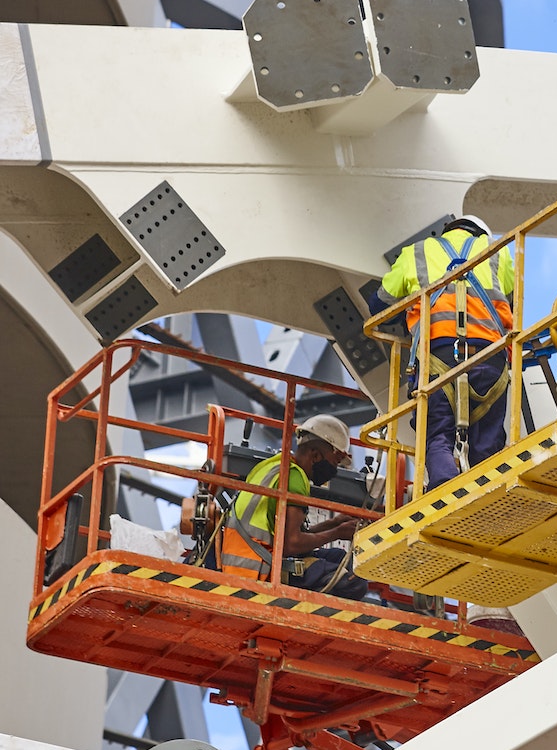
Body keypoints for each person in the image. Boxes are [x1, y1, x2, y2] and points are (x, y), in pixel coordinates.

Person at [379, 215, 516, 487]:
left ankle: (444, 487)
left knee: (438, 434)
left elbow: (379, 304)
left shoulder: (416, 252)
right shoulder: (498, 251)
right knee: (487, 440)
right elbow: (510, 299)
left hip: (437, 356)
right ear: (480, 235)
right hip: (490, 356)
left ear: (447, 231)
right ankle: (485, 492)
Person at [218, 414, 371, 600]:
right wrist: (336, 533)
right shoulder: (294, 477)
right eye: (334, 463)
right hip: (258, 570)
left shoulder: (274, 466)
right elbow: (292, 544)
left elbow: (287, 535)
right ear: (316, 456)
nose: (334, 471)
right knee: (354, 583)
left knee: (338, 556)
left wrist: (333, 524)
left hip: (253, 557)